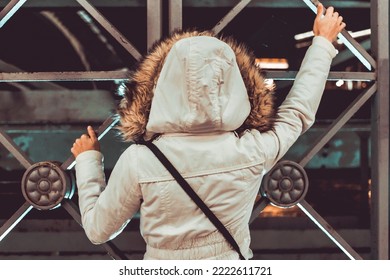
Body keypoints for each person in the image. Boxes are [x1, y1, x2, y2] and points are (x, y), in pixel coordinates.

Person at [71, 3, 345, 260]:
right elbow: (298, 112)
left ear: (163, 83)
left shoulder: (140, 160)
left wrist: (88, 161)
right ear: (234, 83)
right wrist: (321, 44)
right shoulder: (251, 150)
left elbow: (98, 231)